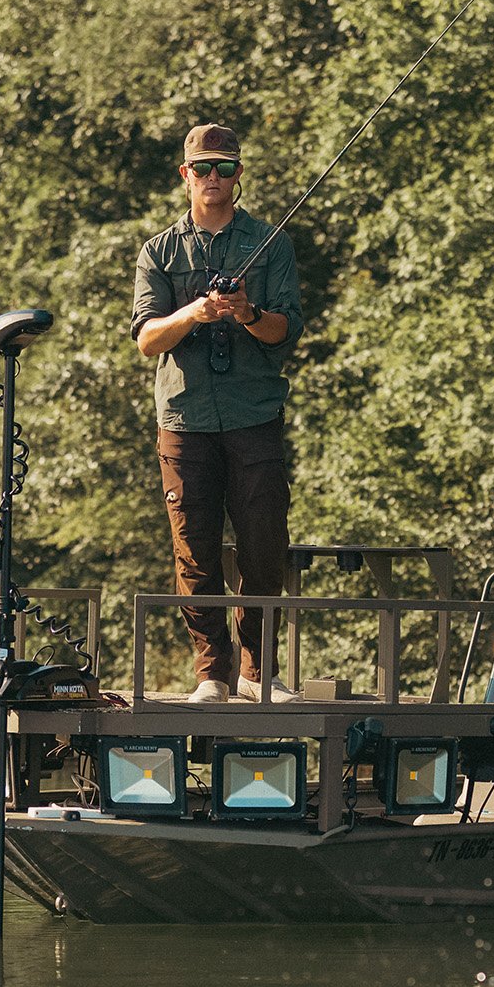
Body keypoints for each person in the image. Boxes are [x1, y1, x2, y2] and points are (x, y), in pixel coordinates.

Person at [131, 123, 304, 703]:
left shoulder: (271, 241)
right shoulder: (159, 250)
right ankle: (212, 674)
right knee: (193, 546)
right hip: (184, 420)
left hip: (254, 413)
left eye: (224, 168)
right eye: (202, 169)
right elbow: (148, 339)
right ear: (185, 175)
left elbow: (285, 331)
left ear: (238, 174)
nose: (213, 179)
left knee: (263, 542)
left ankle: (258, 673)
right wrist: (196, 314)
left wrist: (247, 312)